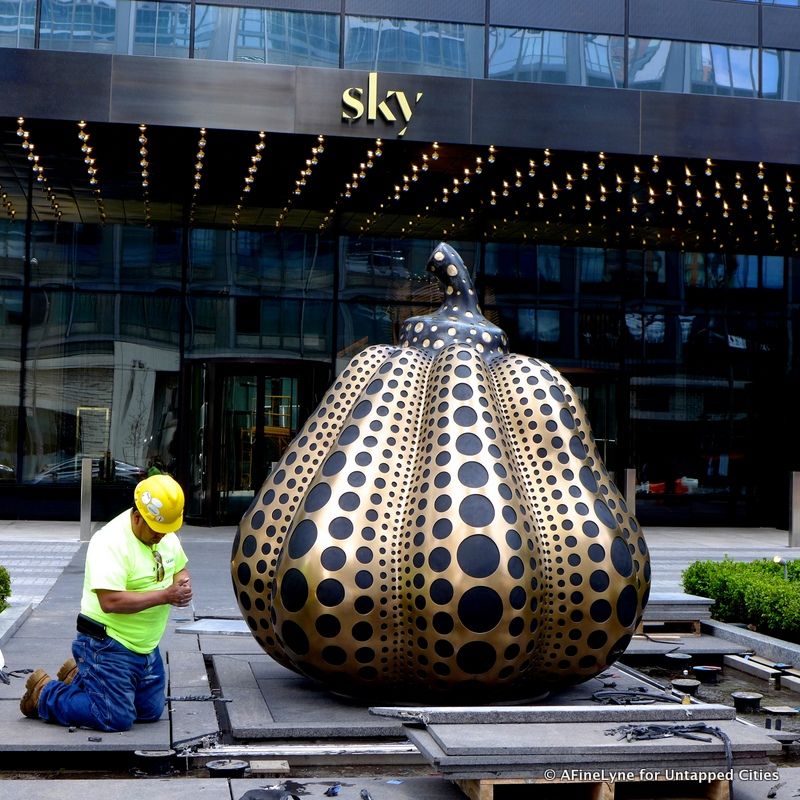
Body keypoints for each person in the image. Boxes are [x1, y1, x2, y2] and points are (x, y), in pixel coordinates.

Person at [20, 474, 193, 732]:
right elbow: (110, 601)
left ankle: (81, 679)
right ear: (137, 517)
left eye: (167, 530)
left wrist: (183, 584)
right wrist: (167, 596)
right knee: (114, 717)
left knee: (149, 712)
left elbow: (180, 567)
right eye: (156, 530)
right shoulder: (110, 541)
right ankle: (45, 693)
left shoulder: (164, 533)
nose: (161, 536)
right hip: (106, 642)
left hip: (146, 646)